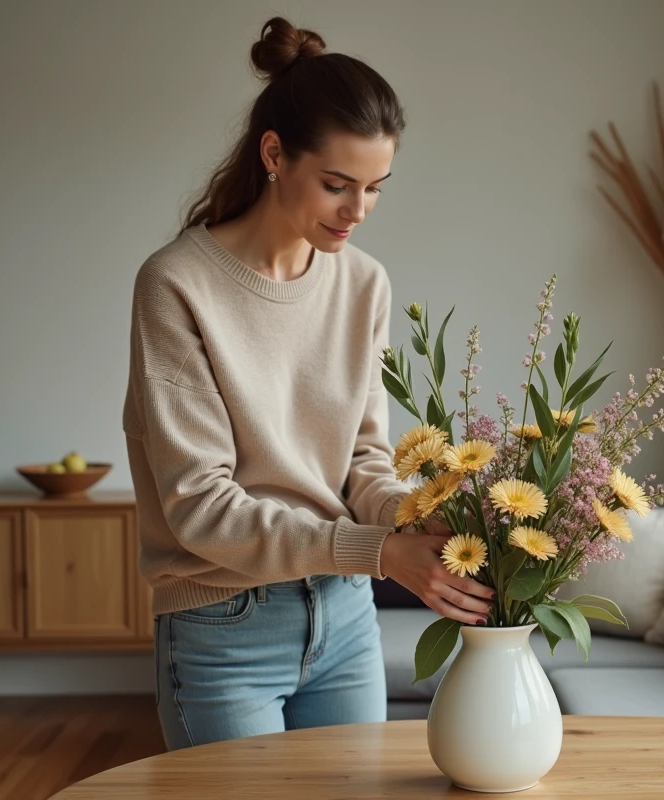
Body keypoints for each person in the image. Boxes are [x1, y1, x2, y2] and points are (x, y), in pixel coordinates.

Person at [122, 17, 496, 750]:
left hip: (346, 617)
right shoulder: (177, 285)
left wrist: (419, 515)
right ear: (273, 154)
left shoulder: (363, 284)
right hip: (221, 625)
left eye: (375, 189)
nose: (357, 212)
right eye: (336, 185)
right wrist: (380, 553)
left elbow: (362, 459)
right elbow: (200, 507)